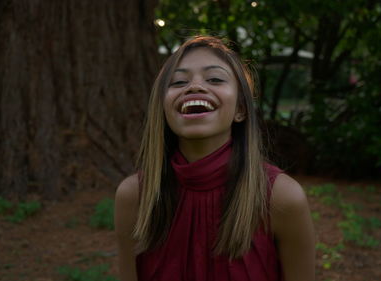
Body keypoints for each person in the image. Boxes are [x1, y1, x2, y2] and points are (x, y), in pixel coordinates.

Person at [114, 35, 315, 281]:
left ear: (241, 109)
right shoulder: (133, 196)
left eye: (215, 79)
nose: (195, 87)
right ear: (163, 108)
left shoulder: (282, 198)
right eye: (178, 82)